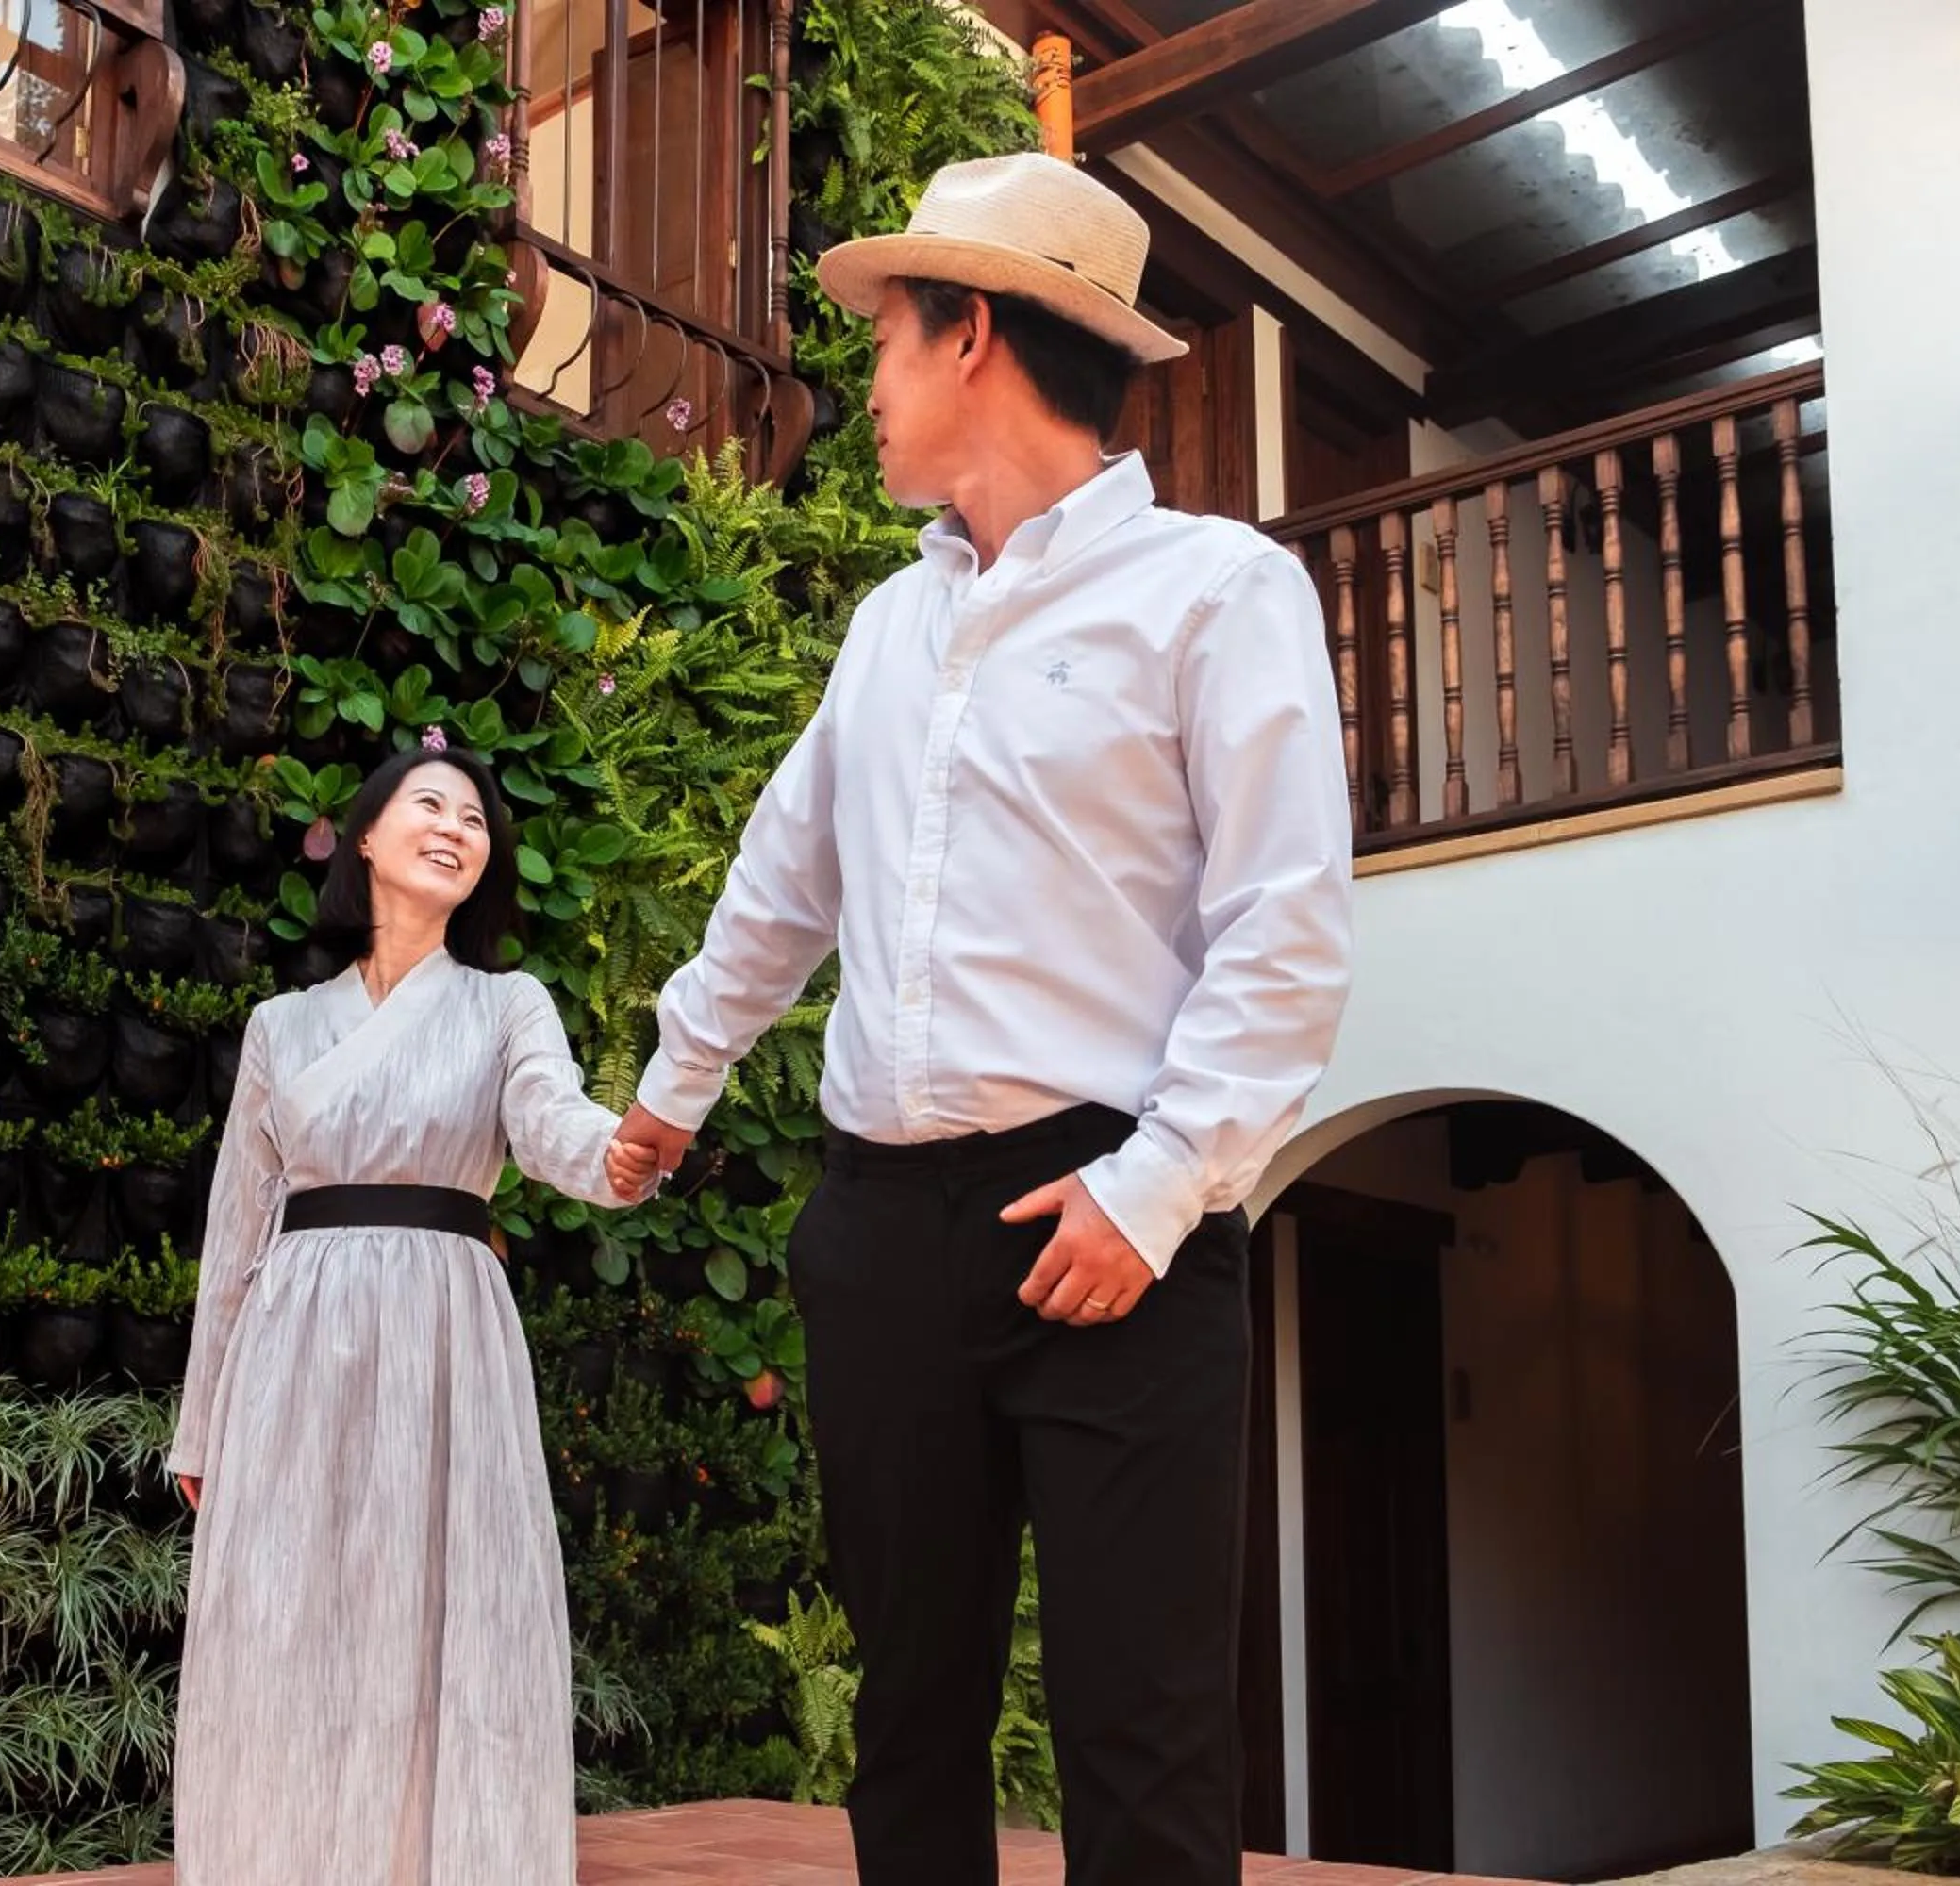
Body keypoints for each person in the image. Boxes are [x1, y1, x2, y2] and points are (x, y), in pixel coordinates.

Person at [613, 151, 1354, 1886]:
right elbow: (784, 881)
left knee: (1143, 1730)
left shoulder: (1218, 591)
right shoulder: (887, 626)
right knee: (910, 1718)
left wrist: (1159, 1184)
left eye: (882, 335)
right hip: (882, 1229)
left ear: (971, 337)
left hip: (1118, 1225)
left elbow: (1287, 928)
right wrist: (677, 1085)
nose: (857, 381)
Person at [166, 742, 657, 1885]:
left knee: (453, 1611)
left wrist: (625, 1152)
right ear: (368, 837)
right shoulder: (281, 1026)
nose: (455, 827)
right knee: (289, 1616)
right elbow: (237, 1232)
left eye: (476, 819)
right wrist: (202, 1421)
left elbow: (553, 1122)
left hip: (446, 1333)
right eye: (428, 805)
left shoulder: (505, 1005)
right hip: (295, 1338)